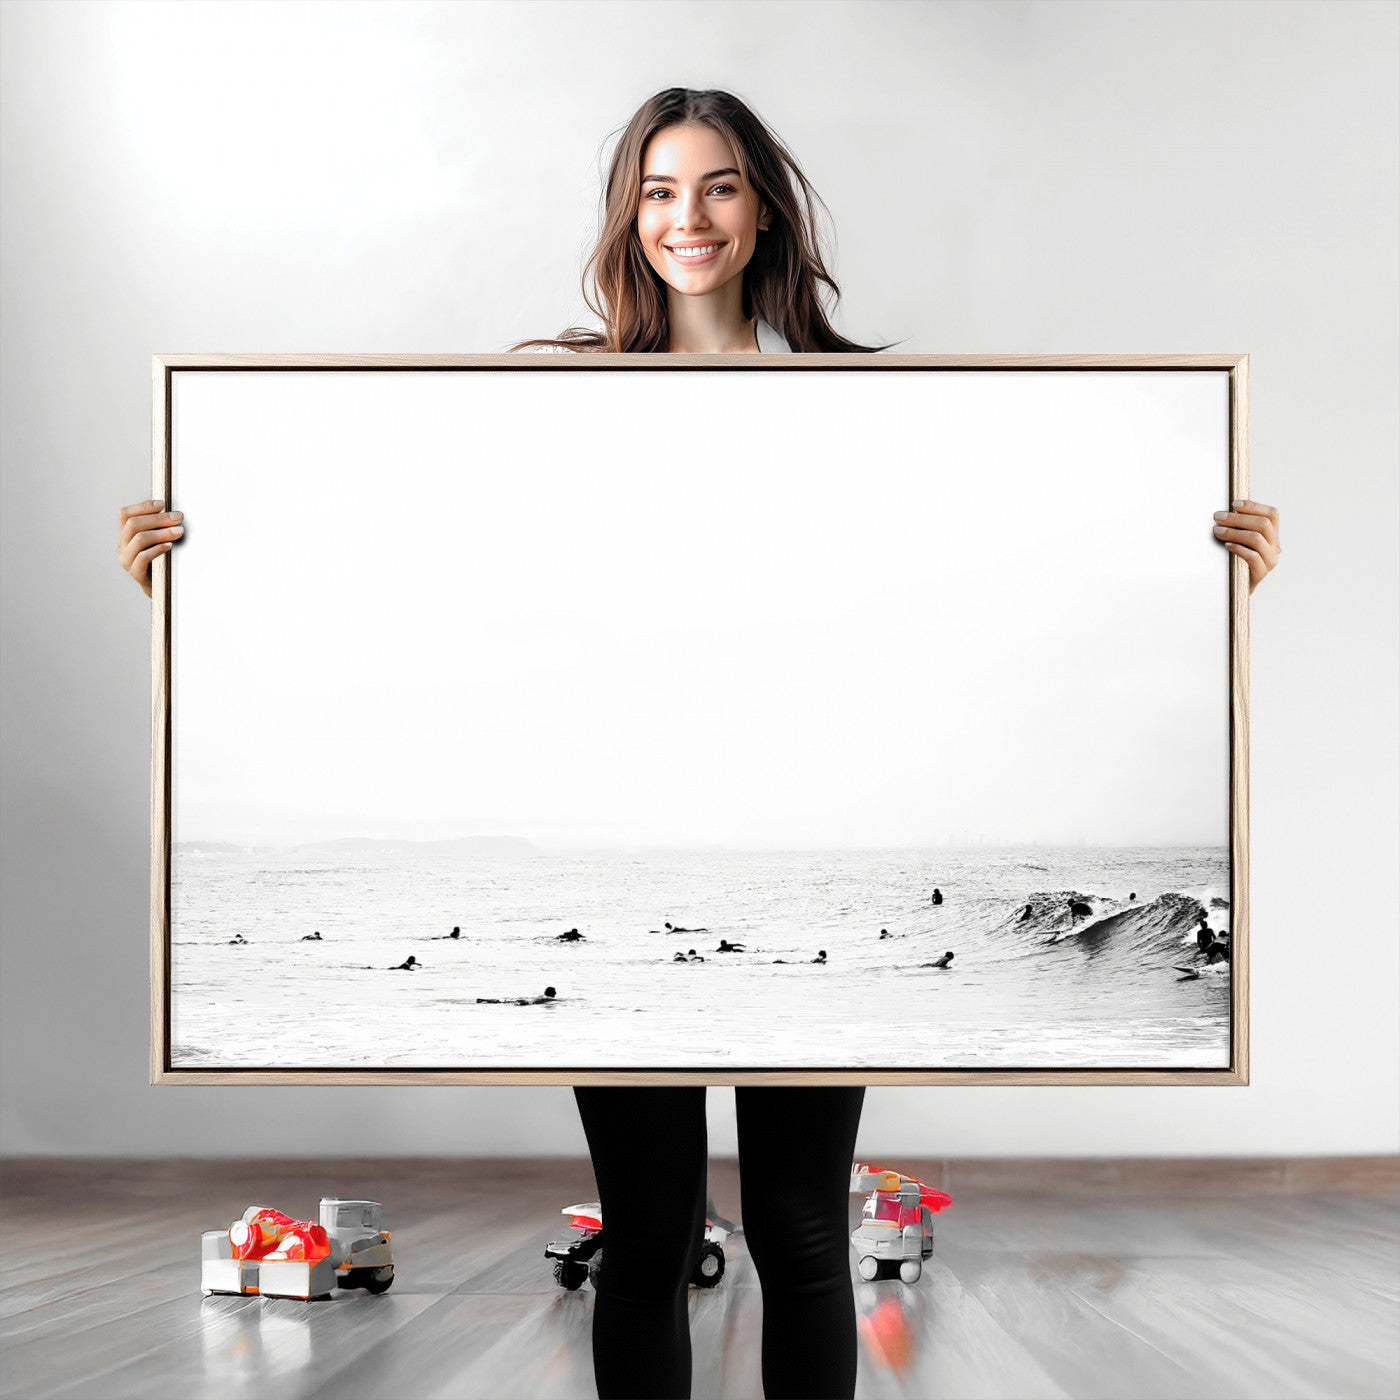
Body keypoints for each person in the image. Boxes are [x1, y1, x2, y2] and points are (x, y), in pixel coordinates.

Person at [117, 83, 1281, 1400]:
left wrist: (1208, 569)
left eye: (719, 184)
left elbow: (986, 586)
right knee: (650, 1239)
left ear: (762, 205)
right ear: (630, 213)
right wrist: (192, 581)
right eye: (661, 189)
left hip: (809, 855)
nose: (691, 216)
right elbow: (422, 575)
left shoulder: (865, 404)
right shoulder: (553, 394)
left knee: (799, 1232)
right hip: (626, 870)